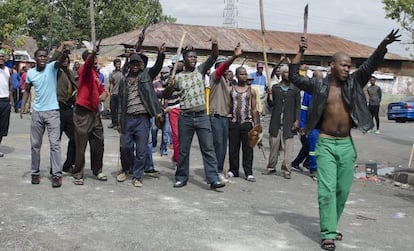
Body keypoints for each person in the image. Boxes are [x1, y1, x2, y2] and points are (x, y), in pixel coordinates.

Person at [289, 30, 400, 250]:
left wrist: (382, 45)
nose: (347, 69)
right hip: (327, 143)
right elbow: (294, 77)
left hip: (347, 145)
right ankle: (328, 233)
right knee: (326, 190)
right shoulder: (319, 85)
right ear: (332, 65)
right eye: (343, 65)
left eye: (349, 66)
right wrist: (299, 53)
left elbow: (370, 65)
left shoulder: (354, 82)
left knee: (342, 190)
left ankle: (331, 224)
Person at [164, 40, 225, 190]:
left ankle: (213, 179)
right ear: (184, 59)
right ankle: (181, 178)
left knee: (208, 149)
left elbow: (214, 56)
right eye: (190, 57)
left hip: (202, 116)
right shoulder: (177, 77)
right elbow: (166, 95)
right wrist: (170, 87)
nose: (194, 59)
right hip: (185, 117)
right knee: (184, 150)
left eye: (195, 57)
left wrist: (215, 45)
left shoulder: (200, 70)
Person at [20, 41, 75, 187]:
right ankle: (35, 173)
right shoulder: (31, 73)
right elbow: (26, 90)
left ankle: (57, 175)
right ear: (35, 58)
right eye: (40, 56)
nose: (43, 58)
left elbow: (59, 60)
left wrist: (64, 52)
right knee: (35, 144)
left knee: (55, 144)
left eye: (45, 56)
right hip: (37, 112)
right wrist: (23, 106)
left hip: (52, 112)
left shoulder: (52, 68)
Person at [116, 48, 165, 187]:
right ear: (130, 65)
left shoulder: (145, 77)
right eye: (133, 63)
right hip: (127, 118)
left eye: (138, 64)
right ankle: (126, 168)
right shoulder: (124, 81)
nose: (136, 66)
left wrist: (160, 55)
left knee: (142, 150)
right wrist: (118, 121)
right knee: (125, 147)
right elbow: (120, 102)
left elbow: (157, 67)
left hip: (142, 119)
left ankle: (137, 176)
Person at [71, 48, 109, 185]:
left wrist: (104, 95)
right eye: (94, 59)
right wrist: (92, 54)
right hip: (82, 112)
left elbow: (103, 90)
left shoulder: (96, 75)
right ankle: (78, 173)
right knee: (81, 143)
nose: (96, 61)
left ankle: (97, 170)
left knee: (98, 142)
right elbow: (87, 64)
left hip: (95, 113)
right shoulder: (84, 70)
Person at [209, 43, 243, 182]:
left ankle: (218, 171)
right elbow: (222, 67)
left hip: (224, 117)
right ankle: (214, 172)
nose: (226, 68)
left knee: (223, 147)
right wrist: (233, 57)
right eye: (224, 65)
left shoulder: (227, 81)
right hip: (215, 115)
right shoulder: (214, 77)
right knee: (217, 146)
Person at [263, 65, 300, 179]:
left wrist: (297, 120)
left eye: (290, 73)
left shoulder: (295, 89)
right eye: (286, 73)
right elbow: (270, 105)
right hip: (276, 122)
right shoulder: (275, 88)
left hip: (289, 122)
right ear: (282, 74)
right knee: (273, 146)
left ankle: (286, 170)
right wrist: (269, 96)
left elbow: (297, 106)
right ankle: (271, 167)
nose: (288, 75)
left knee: (288, 148)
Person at [227, 66, 259, 182]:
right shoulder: (231, 90)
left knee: (248, 149)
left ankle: (248, 172)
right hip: (234, 123)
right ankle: (233, 170)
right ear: (236, 75)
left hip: (247, 123)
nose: (244, 76)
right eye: (241, 74)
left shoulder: (251, 91)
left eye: (245, 74)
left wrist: (256, 125)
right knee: (233, 148)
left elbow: (254, 109)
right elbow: (229, 105)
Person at [55, 53, 77, 173]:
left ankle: (68, 164)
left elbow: (77, 87)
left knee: (74, 138)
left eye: (66, 60)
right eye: (62, 59)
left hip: (69, 108)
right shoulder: (55, 72)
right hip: (57, 108)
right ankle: (55, 166)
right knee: (55, 140)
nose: (64, 61)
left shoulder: (72, 74)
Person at [164, 55, 184, 167]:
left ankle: (178, 157)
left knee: (184, 137)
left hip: (185, 108)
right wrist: (170, 83)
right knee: (176, 136)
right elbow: (165, 92)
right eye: (177, 62)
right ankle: (177, 160)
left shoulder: (187, 75)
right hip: (173, 108)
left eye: (181, 62)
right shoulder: (168, 76)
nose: (180, 64)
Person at [0, 49, 13, 158]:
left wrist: (10, 101)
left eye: (2, 56)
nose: (1, 58)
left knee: (2, 127)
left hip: (5, 101)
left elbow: (10, 86)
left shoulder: (8, 70)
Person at [108, 58, 123, 129]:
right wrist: (110, 93)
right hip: (114, 93)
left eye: (119, 64)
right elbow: (111, 84)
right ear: (114, 65)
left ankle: (119, 124)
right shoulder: (112, 73)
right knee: (113, 109)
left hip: (121, 94)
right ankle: (114, 122)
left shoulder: (123, 72)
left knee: (120, 109)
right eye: (117, 64)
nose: (118, 65)